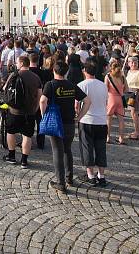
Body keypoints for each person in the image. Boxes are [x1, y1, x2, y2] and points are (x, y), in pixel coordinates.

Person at [40, 60, 87, 194]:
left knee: (57, 151)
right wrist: (80, 116)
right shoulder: (72, 85)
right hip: (69, 122)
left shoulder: (50, 85)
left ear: (53, 71)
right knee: (67, 149)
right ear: (67, 72)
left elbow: (42, 100)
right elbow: (87, 101)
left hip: (56, 122)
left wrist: (44, 115)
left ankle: (60, 183)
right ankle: (69, 178)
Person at [2, 54, 41, 168]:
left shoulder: (14, 75)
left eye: (18, 63)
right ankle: (24, 160)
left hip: (14, 110)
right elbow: (40, 94)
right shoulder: (36, 77)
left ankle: (12, 156)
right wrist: (36, 108)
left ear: (22, 63)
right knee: (27, 136)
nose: (16, 64)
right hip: (29, 111)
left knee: (11, 132)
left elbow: (5, 89)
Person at [78, 59, 107, 185]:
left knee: (87, 147)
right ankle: (101, 175)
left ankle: (90, 175)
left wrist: (78, 116)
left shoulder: (81, 85)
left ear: (84, 71)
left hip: (87, 120)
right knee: (101, 148)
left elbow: (77, 105)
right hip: (101, 120)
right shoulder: (103, 85)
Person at [104, 60, 126, 145]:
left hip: (111, 98)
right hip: (120, 98)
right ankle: (121, 138)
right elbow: (126, 89)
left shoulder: (108, 77)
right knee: (121, 119)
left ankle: (108, 137)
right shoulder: (122, 77)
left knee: (109, 119)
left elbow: (105, 89)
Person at [125, 56, 139, 140]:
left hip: (136, 93)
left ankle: (138, 132)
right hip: (129, 94)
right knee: (132, 113)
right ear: (129, 63)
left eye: (135, 62)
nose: (133, 64)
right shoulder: (129, 72)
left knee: (135, 113)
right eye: (132, 62)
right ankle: (136, 131)